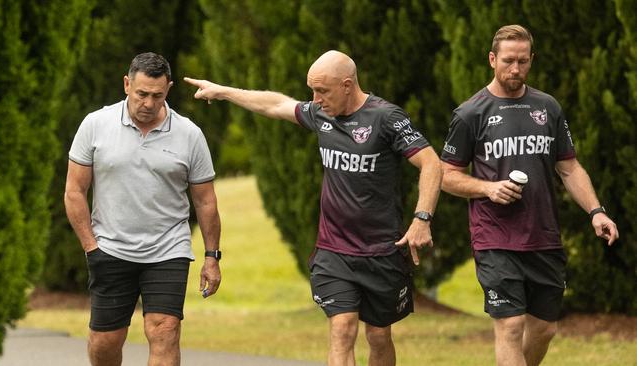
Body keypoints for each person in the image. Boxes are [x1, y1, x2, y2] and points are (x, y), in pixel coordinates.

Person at [184, 50, 441, 366]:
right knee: (342, 328)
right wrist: (223, 91)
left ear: (347, 85)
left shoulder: (386, 118)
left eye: (323, 91)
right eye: (312, 91)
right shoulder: (322, 114)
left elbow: (430, 163)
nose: (315, 99)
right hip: (334, 252)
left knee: (378, 336)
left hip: (381, 251)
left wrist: (422, 218)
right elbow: (277, 104)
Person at [440, 25, 619, 366]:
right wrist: (488, 188)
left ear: (531, 60)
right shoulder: (470, 113)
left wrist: (597, 211)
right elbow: (446, 176)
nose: (516, 69)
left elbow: (569, 168)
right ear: (492, 59)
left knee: (544, 330)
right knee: (509, 326)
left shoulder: (547, 107)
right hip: (495, 238)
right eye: (508, 60)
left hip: (543, 237)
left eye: (523, 61)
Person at [65, 52, 222, 366]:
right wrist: (91, 247)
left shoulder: (189, 134)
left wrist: (211, 256)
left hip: (168, 250)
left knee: (165, 330)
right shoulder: (95, 125)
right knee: (105, 342)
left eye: (157, 96)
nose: (149, 103)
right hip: (109, 249)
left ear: (169, 90)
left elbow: (205, 201)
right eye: (141, 94)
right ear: (126, 84)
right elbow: (74, 191)